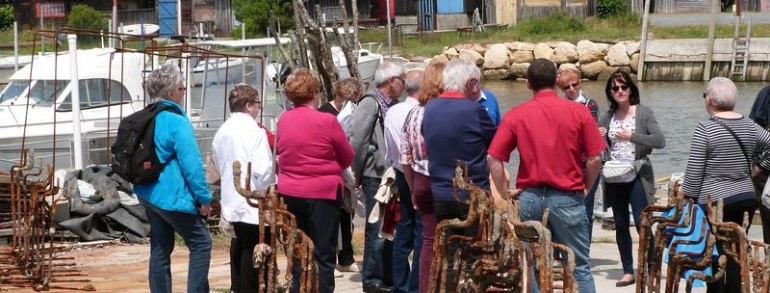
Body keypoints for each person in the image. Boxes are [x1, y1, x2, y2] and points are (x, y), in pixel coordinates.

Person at [488, 58, 604, 293]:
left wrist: (502, 192)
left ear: (528, 84)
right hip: (567, 196)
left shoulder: (516, 115)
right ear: (557, 81)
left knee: (530, 264)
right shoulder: (578, 112)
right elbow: (595, 158)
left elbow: (493, 158)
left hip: (530, 198)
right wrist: (587, 187)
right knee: (579, 264)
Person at [682, 77, 770, 293]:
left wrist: (688, 199)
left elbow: (694, 170)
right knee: (735, 253)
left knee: (715, 254)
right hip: (746, 198)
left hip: (715, 202)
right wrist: (758, 168)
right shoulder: (749, 125)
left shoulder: (705, 129)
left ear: (710, 100)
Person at [133, 63, 213, 293]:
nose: (184, 91)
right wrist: (204, 198)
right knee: (201, 243)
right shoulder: (176, 120)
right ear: (170, 93)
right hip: (170, 195)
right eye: (182, 87)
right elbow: (192, 164)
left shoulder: (147, 116)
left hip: (147, 192)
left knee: (160, 246)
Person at [276, 68, 355, 293]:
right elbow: (347, 155)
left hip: (290, 191)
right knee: (323, 255)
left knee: (298, 252)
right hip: (322, 193)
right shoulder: (327, 121)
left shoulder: (284, 119)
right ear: (314, 93)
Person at [422, 58, 496, 288]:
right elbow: (495, 141)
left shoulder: (430, 108)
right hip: (473, 194)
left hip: (441, 192)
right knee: (474, 253)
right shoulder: (475, 109)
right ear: (468, 82)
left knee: (449, 252)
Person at [597, 69, 665, 287]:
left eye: (623, 87)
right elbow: (598, 149)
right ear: (610, 92)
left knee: (642, 223)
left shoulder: (643, 113)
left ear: (631, 89)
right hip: (615, 177)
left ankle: (652, 267)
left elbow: (659, 140)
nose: (619, 91)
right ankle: (628, 270)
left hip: (637, 175)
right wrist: (598, 136)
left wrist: (632, 136)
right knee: (620, 224)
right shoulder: (607, 116)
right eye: (614, 88)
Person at [212, 84, 274, 293]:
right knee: (253, 249)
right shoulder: (254, 131)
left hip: (232, 197)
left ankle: (236, 288)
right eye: (257, 104)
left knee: (238, 245)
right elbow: (264, 170)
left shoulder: (223, 130)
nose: (258, 108)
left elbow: (218, 163)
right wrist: (270, 187)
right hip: (253, 198)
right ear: (248, 106)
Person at [350, 61, 405, 293]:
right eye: (401, 79)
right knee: (377, 228)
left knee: (391, 226)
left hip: (391, 176)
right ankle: (372, 280)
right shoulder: (370, 103)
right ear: (391, 81)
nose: (404, 84)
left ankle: (388, 276)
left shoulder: (392, 104)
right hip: (375, 175)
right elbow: (357, 141)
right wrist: (358, 173)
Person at [400, 61, 445, 293]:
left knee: (428, 241)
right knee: (453, 238)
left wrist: (411, 189)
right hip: (442, 180)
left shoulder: (413, 114)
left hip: (419, 179)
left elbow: (405, 156)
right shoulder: (445, 112)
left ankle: (425, 288)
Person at [383, 68, 424, 293]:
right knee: (421, 231)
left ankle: (401, 284)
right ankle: (417, 284)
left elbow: (391, 147)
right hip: (418, 173)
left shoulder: (392, 110)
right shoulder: (420, 112)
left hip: (399, 172)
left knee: (403, 229)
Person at [318, 78, 364, 277]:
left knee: (347, 214)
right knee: (331, 218)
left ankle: (346, 257)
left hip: (347, 169)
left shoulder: (351, 112)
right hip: (331, 170)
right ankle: (329, 258)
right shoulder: (324, 113)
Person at [557, 64, 601, 241]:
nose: (572, 90)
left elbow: (586, 132)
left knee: (586, 210)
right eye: (567, 87)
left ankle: (585, 250)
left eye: (574, 85)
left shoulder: (590, 104)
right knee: (562, 210)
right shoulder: (559, 105)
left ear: (580, 83)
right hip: (566, 165)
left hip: (588, 165)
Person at [748, 84, 770, 244]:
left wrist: (759, 166)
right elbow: (752, 127)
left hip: (762, 167)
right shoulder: (765, 93)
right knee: (746, 214)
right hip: (761, 171)